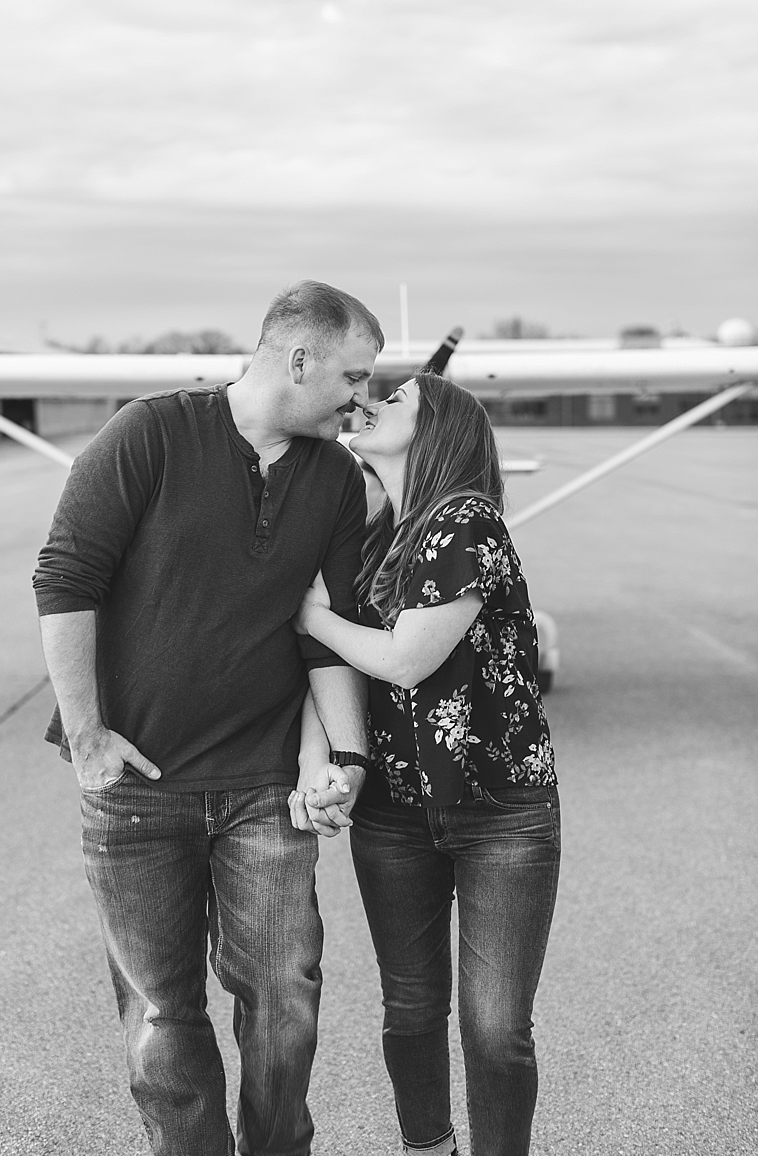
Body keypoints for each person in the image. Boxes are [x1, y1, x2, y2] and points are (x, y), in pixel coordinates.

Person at [34, 281, 383, 1156]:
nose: (363, 398)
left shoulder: (337, 478)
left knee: (285, 996)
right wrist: (87, 736)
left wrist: (346, 756)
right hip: (136, 793)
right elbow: (64, 577)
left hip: (263, 786)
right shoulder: (150, 432)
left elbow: (327, 630)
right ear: (298, 358)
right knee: (162, 1016)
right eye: (355, 374)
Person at [292, 374, 559, 1156]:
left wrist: (313, 617)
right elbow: (338, 675)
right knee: (409, 1008)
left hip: (500, 810)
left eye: (397, 397)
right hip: (396, 812)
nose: (368, 402)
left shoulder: (466, 520)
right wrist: (329, 758)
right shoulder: (382, 532)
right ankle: (428, 1146)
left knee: (496, 1025)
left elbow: (405, 660)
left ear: (437, 429)